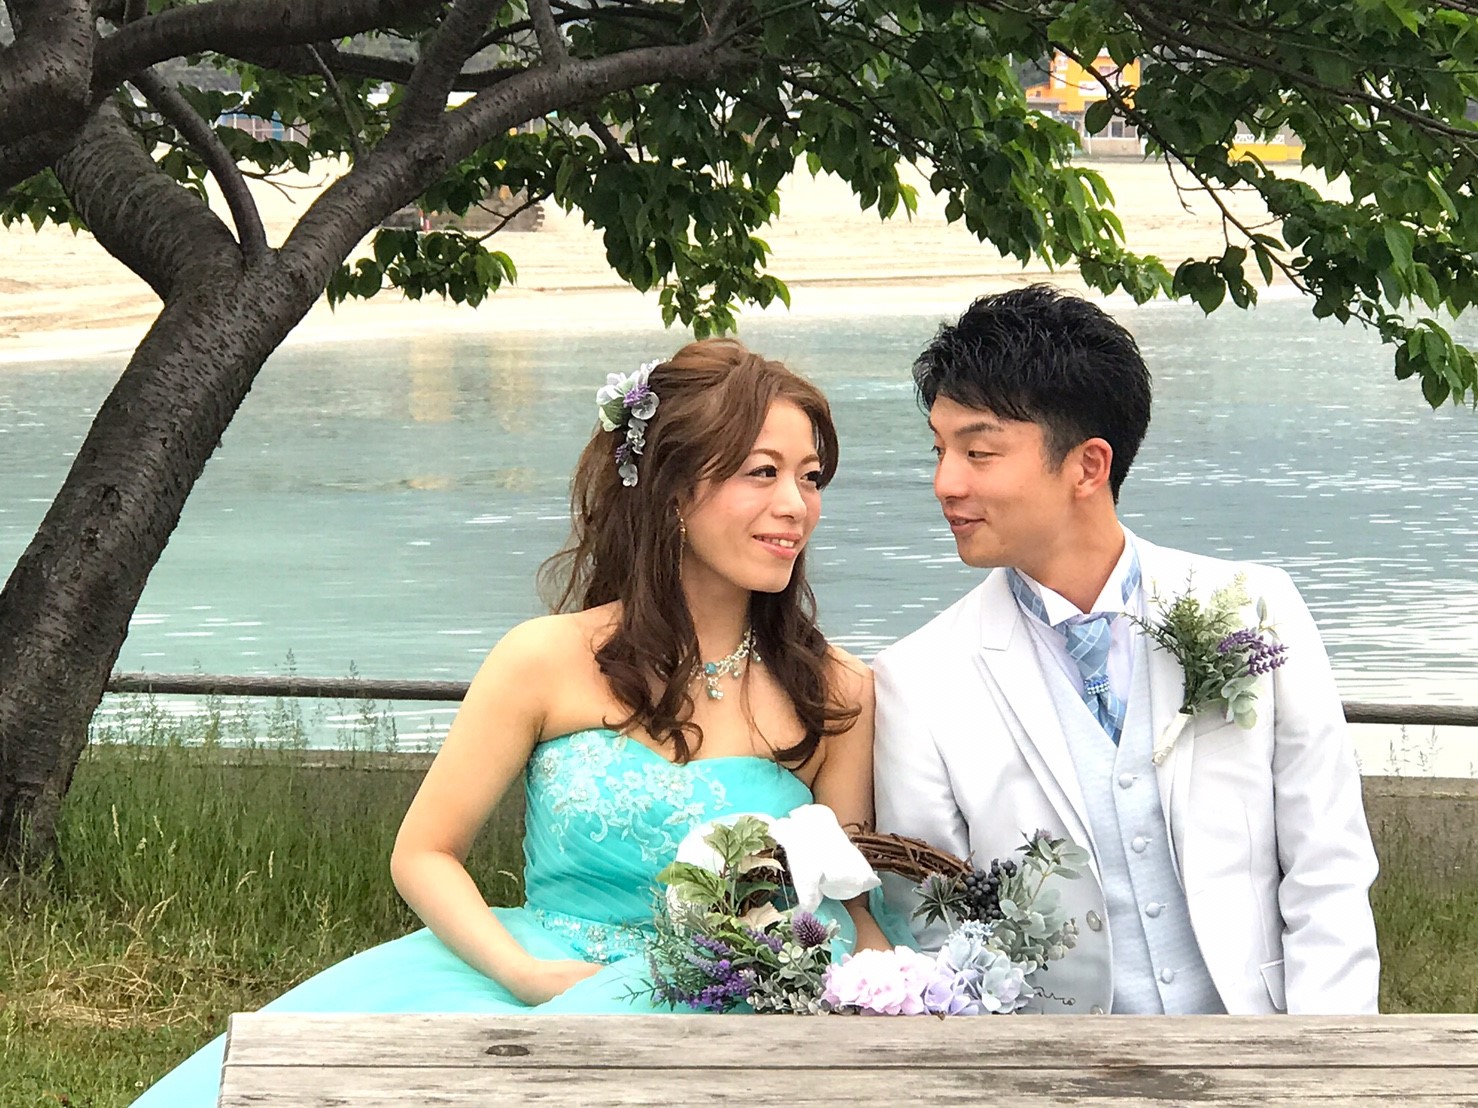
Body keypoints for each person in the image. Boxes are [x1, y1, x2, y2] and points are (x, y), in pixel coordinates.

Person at [132, 338, 893, 1106]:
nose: (796, 505)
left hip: (741, 1005)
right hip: (542, 975)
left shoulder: (835, 691)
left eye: (810, 477)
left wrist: (879, 1003)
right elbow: (424, 853)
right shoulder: (544, 660)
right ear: (671, 489)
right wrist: (523, 974)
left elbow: (854, 902)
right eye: (762, 472)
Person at [872, 285, 1381, 1016]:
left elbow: (1327, 865)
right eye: (940, 449)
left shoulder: (1256, 610)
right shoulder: (917, 679)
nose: (945, 483)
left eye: (978, 452)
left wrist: (1318, 1061)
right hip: (1054, 1065)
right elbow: (934, 927)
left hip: (1264, 1043)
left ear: (1088, 466)